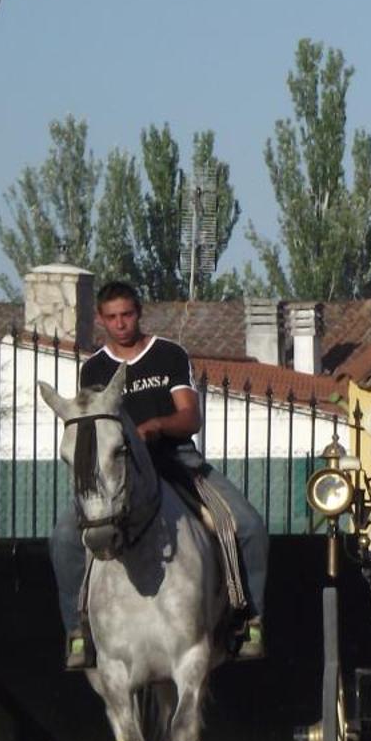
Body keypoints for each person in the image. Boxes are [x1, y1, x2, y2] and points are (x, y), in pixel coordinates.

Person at [50, 281, 270, 669]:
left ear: (139, 313)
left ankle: (246, 619)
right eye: (112, 317)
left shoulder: (168, 354)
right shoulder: (94, 368)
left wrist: (156, 426)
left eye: (128, 315)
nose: (121, 324)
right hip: (117, 472)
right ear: (101, 320)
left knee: (247, 524)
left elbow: (190, 415)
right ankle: (78, 631)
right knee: (66, 536)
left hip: (175, 458)